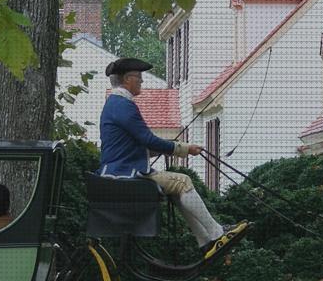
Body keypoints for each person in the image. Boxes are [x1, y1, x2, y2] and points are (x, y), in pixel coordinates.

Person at [99, 56, 247, 259]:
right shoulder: (124, 105)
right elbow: (147, 139)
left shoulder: (114, 104)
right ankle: (216, 233)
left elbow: (133, 144)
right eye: (139, 77)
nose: (142, 81)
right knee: (183, 181)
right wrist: (184, 148)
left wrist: (157, 149)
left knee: (177, 189)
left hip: (120, 171)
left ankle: (205, 242)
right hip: (126, 174)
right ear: (127, 79)